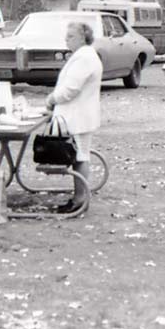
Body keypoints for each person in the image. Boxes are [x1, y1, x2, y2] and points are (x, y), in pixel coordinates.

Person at [45, 21, 103, 215]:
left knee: (80, 157)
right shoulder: (83, 55)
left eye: (70, 36)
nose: (66, 40)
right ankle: (79, 197)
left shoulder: (84, 57)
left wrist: (52, 98)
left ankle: (80, 199)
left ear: (82, 37)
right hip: (80, 114)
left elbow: (71, 89)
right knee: (80, 156)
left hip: (78, 115)